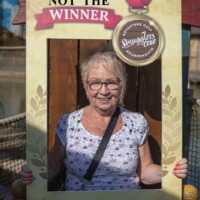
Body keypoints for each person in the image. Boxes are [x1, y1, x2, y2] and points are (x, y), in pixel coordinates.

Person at [21, 50, 188, 191]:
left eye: (111, 83)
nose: (104, 91)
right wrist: (33, 174)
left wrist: (170, 171)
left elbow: (145, 171)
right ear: (86, 87)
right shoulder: (68, 124)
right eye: (95, 83)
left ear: (121, 85)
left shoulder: (136, 123)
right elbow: (53, 167)